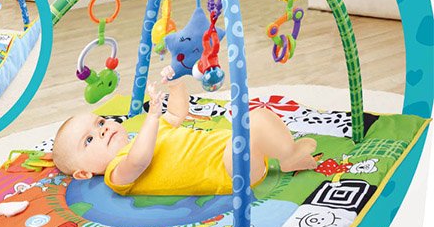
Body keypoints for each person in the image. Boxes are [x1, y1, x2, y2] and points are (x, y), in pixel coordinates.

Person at [52, 66, 317, 196]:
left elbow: (177, 114)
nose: (102, 131)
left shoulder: (146, 134)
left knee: (255, 119)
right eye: (89, 139)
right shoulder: (116, 172)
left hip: (230, 150)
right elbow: (139, 160)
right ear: (84, 173)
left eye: (100, 122)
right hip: (230, 172)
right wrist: (152, 117)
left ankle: (283, 150)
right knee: (254, 121)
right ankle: (288, 155)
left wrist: (176, 85)